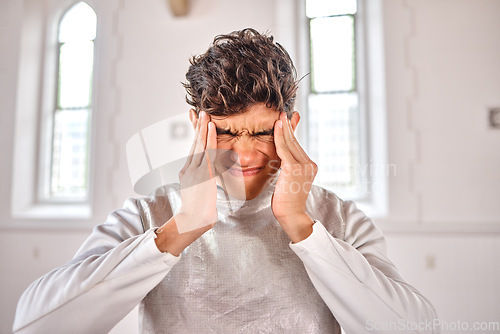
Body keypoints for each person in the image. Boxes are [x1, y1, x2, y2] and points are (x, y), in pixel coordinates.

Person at [13, 28, 438, 334]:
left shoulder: (337, 218)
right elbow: (35, 323)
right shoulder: (150, 214)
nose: (246, 153)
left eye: (263, 132)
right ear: (197, 125)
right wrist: (183, 226)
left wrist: (301, 228)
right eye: (227, 133)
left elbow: (419, 328)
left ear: (291, 125)